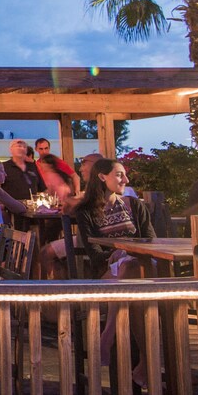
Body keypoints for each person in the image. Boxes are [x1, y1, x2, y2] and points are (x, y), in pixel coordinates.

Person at [74, 158, 154, 383]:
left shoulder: (134, 205)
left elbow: (152, 241)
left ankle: (105, 340)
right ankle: (146, 364)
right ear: (102, 177)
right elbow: (94, 254)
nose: (126, 180)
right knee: (131, 283)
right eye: (119, 174)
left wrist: (131, 252)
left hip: (141, 269)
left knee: (130, 271)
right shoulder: (86, 211)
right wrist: (114, 255)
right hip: (108, 272)